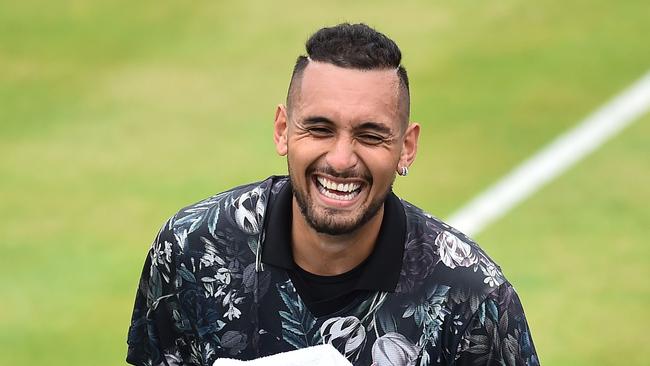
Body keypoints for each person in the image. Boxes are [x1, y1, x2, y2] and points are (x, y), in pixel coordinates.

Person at [126, 23, 539, 366]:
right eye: (320, 129)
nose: (341, 160)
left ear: (406, 147)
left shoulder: (472, 296)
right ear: (282, 130)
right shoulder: (191, 249)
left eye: (370, 135)